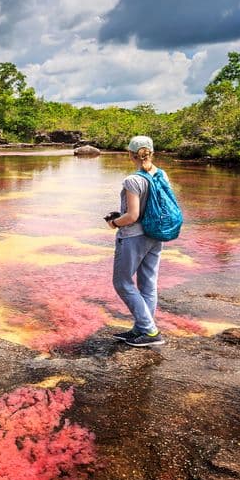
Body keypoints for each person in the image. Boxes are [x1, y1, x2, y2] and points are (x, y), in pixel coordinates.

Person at [106, 135, 166, 347]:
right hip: (156, 234)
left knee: (122, 282)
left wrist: (114, 223)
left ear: (130, 154)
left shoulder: (133, 180)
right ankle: (141, 329)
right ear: (151, 152)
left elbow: (132, 216)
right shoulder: (161, 175)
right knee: (148, 283)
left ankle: (150, 331)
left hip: (133, 236)